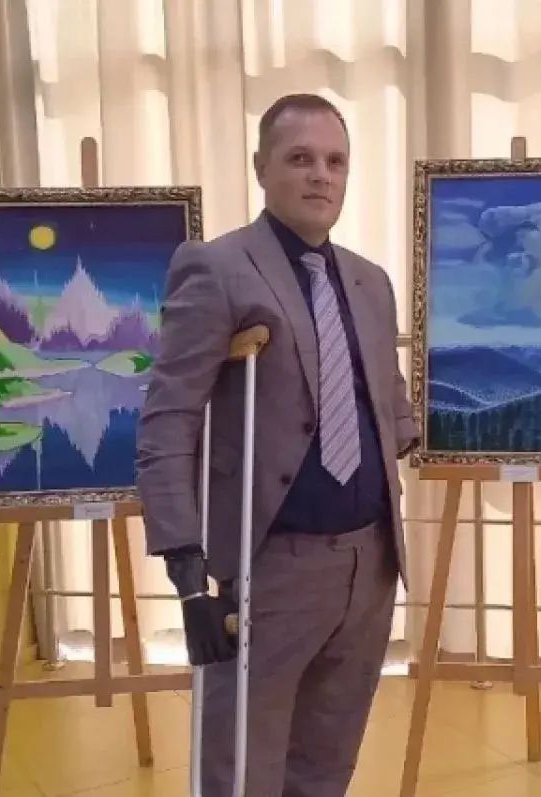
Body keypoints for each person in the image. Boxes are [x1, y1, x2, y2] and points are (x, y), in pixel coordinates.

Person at [136, 92, 420, 796]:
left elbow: (388, 400)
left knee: (325, 766)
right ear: (261, 167)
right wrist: (186, 571)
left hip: (369, 563)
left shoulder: (370, 281)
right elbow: (169, 418)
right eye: (300, 158)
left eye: (335, 161)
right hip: (271, 569)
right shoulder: (217, 268)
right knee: (241, 770)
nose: (321, 174)